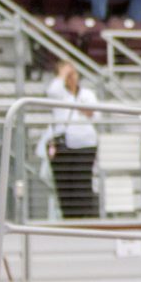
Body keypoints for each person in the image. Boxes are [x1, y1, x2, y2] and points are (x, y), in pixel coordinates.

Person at [42, 61, 99, 218]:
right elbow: (52, 91)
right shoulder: (59, 94)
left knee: (82, 185)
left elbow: (96, 114)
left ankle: (87, 220)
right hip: (63, 145)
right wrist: (62, 73)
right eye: (68, 75)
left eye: (73, 73)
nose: (71, 77)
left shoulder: (87, 94)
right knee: (64, 186)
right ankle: (69, 219)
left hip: (85, 144)